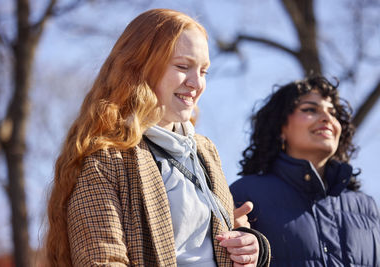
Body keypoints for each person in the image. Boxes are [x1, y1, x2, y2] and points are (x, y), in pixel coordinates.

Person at [45, 8, 270, 267]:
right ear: (140, 67)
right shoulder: (104, 159)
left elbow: (213, 246)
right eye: (183, 67)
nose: (197, 83)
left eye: (204, 71)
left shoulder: (205, 151)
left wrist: (250, 245)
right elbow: (104, 260)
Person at [230, 75, 380, 266]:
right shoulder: (245, 194)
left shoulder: (366, 207)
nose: (327, 118)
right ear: (280, 127)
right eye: (310, 109)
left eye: (332, 113)